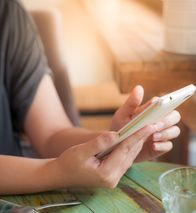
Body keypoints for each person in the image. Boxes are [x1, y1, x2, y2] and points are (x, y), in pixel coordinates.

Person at [0, 0, 180, 195]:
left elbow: (51, 135)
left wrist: (115, 142)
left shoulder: (7, 14)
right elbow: (56, 166)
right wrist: (55, 172)